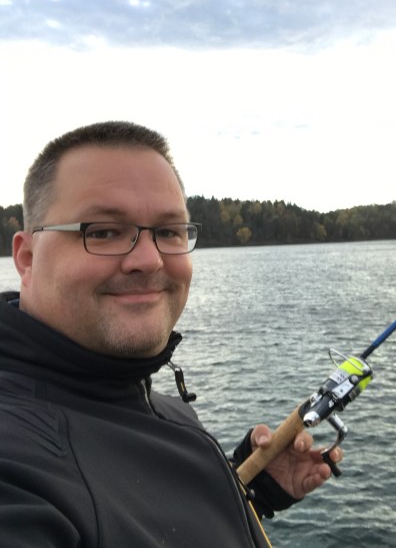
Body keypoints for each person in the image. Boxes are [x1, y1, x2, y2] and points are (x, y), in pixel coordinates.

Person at [0, 121, 341, 547]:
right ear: (27, 258)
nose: (149, 259)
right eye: (102, 232)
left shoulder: (155, 403)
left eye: (168, 232)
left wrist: (248, 489)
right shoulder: (16, 460)